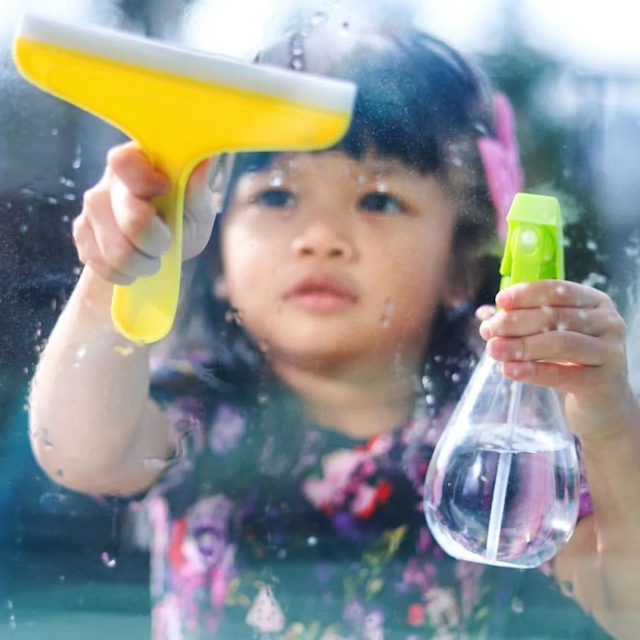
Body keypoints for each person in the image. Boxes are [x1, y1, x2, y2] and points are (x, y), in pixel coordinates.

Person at [28, 22, 640, 640]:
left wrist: (609, 416)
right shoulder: (206, 410)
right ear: (215, 265)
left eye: (377, 200)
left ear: (460, 264)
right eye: (276, 196)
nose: (320, 237)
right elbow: (78, 453)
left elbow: (628, 604)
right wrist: (118, 272)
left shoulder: (497, 446)